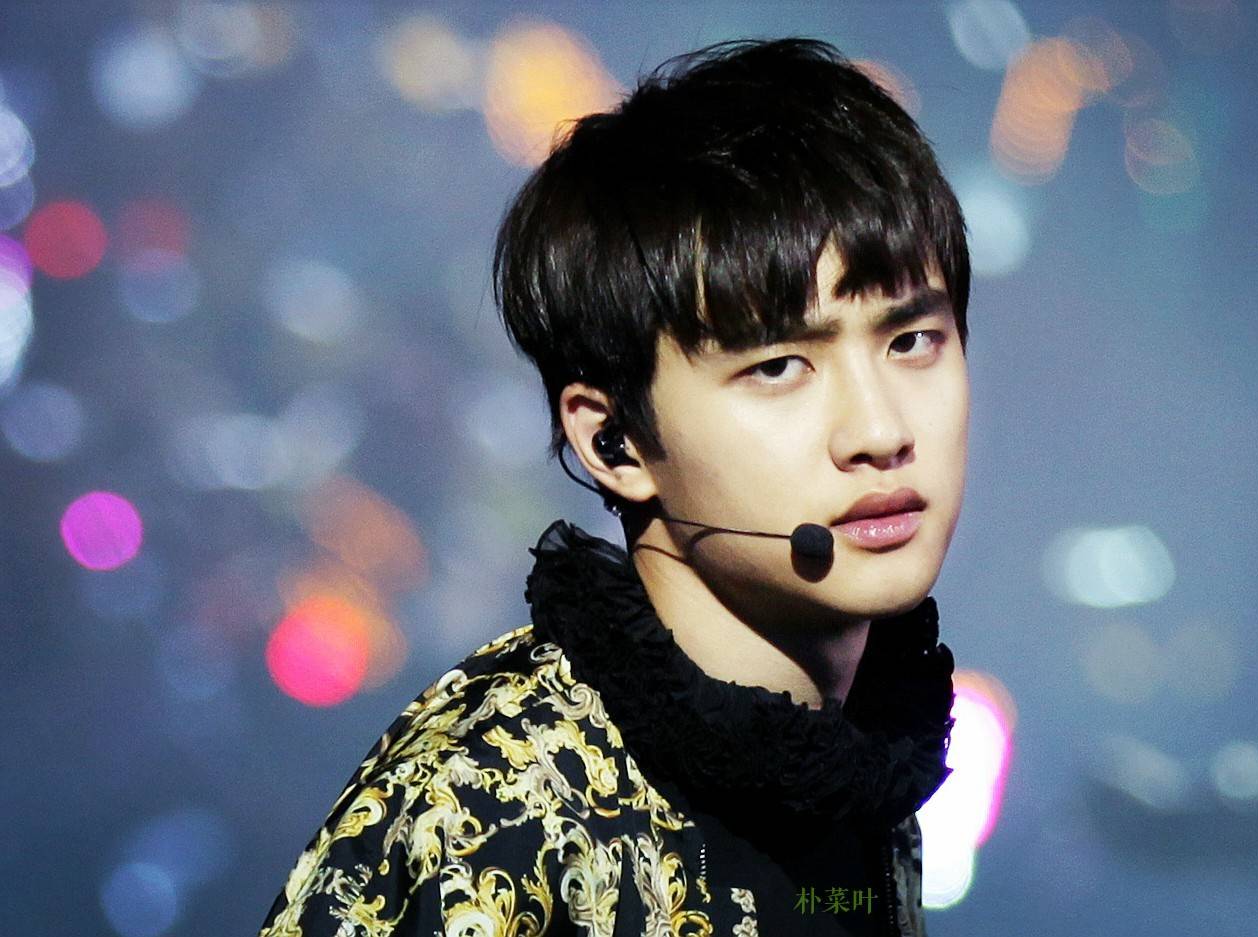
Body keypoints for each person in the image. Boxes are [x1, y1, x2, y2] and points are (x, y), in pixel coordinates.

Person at [257, 35, 969, 937]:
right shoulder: (486, 811)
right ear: (613, 439)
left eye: (912, 341)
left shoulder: (864, 765)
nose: (879, 430)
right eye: (779, 366)